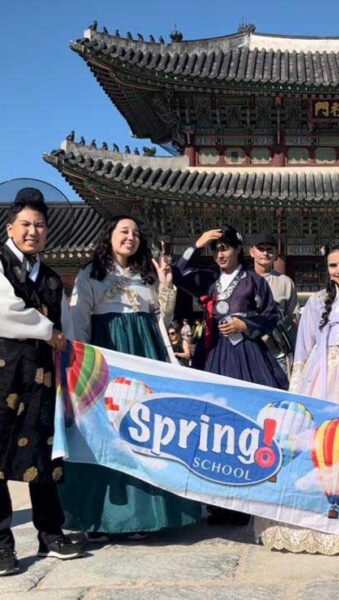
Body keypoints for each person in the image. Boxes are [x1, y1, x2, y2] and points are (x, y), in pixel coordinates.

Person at [61, 215, 203, 539]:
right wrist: (81, 364)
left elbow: (161, 318)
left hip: (143, 354)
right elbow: (79, 323)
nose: (131, 237)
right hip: (106, 357)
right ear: (109, 236)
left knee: (143, 428)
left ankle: (146, 515)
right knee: (103, 430)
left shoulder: (147, 276)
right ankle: (99, 515)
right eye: (124, 231)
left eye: (136, 233)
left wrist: (166, 285)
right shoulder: (90, 275)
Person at [256, 238, 339, 555]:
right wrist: (298, 392)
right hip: (318, 380)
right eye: (333, 265)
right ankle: (306, 520)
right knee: (311, 448)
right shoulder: (315, 302)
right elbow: (303, 350)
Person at [172, 224, 287, 524]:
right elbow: (176, 273)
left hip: (246, 357)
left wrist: (245, 326)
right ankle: (217, 503)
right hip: (212, 354)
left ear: (238, 249)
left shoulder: (252, 281)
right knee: (214, 425)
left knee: (245, 422)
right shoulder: (208, 280)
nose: (220, 254)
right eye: (216, 249)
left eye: (225, 247)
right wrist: (195, 244)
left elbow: (272, 315)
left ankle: (246, 501)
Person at [0, 188, 82, 576]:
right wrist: (48, 330)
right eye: (26, 224)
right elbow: (5, 310)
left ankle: (50, 532)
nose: (32, 232)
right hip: (3, 373)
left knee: (44, 454)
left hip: (43, 377)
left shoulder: (50, 278)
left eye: (40, 226)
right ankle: (2, 544)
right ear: (10, 227)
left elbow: (69, 330)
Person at [249, 231, 299, 377]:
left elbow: (293, 318)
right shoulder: (243, 280)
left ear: (276, 253)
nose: (265, 253)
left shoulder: (285, 282)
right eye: (261, 249)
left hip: (278, 352)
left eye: (269, 249)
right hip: (251, 349)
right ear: (251, 252)